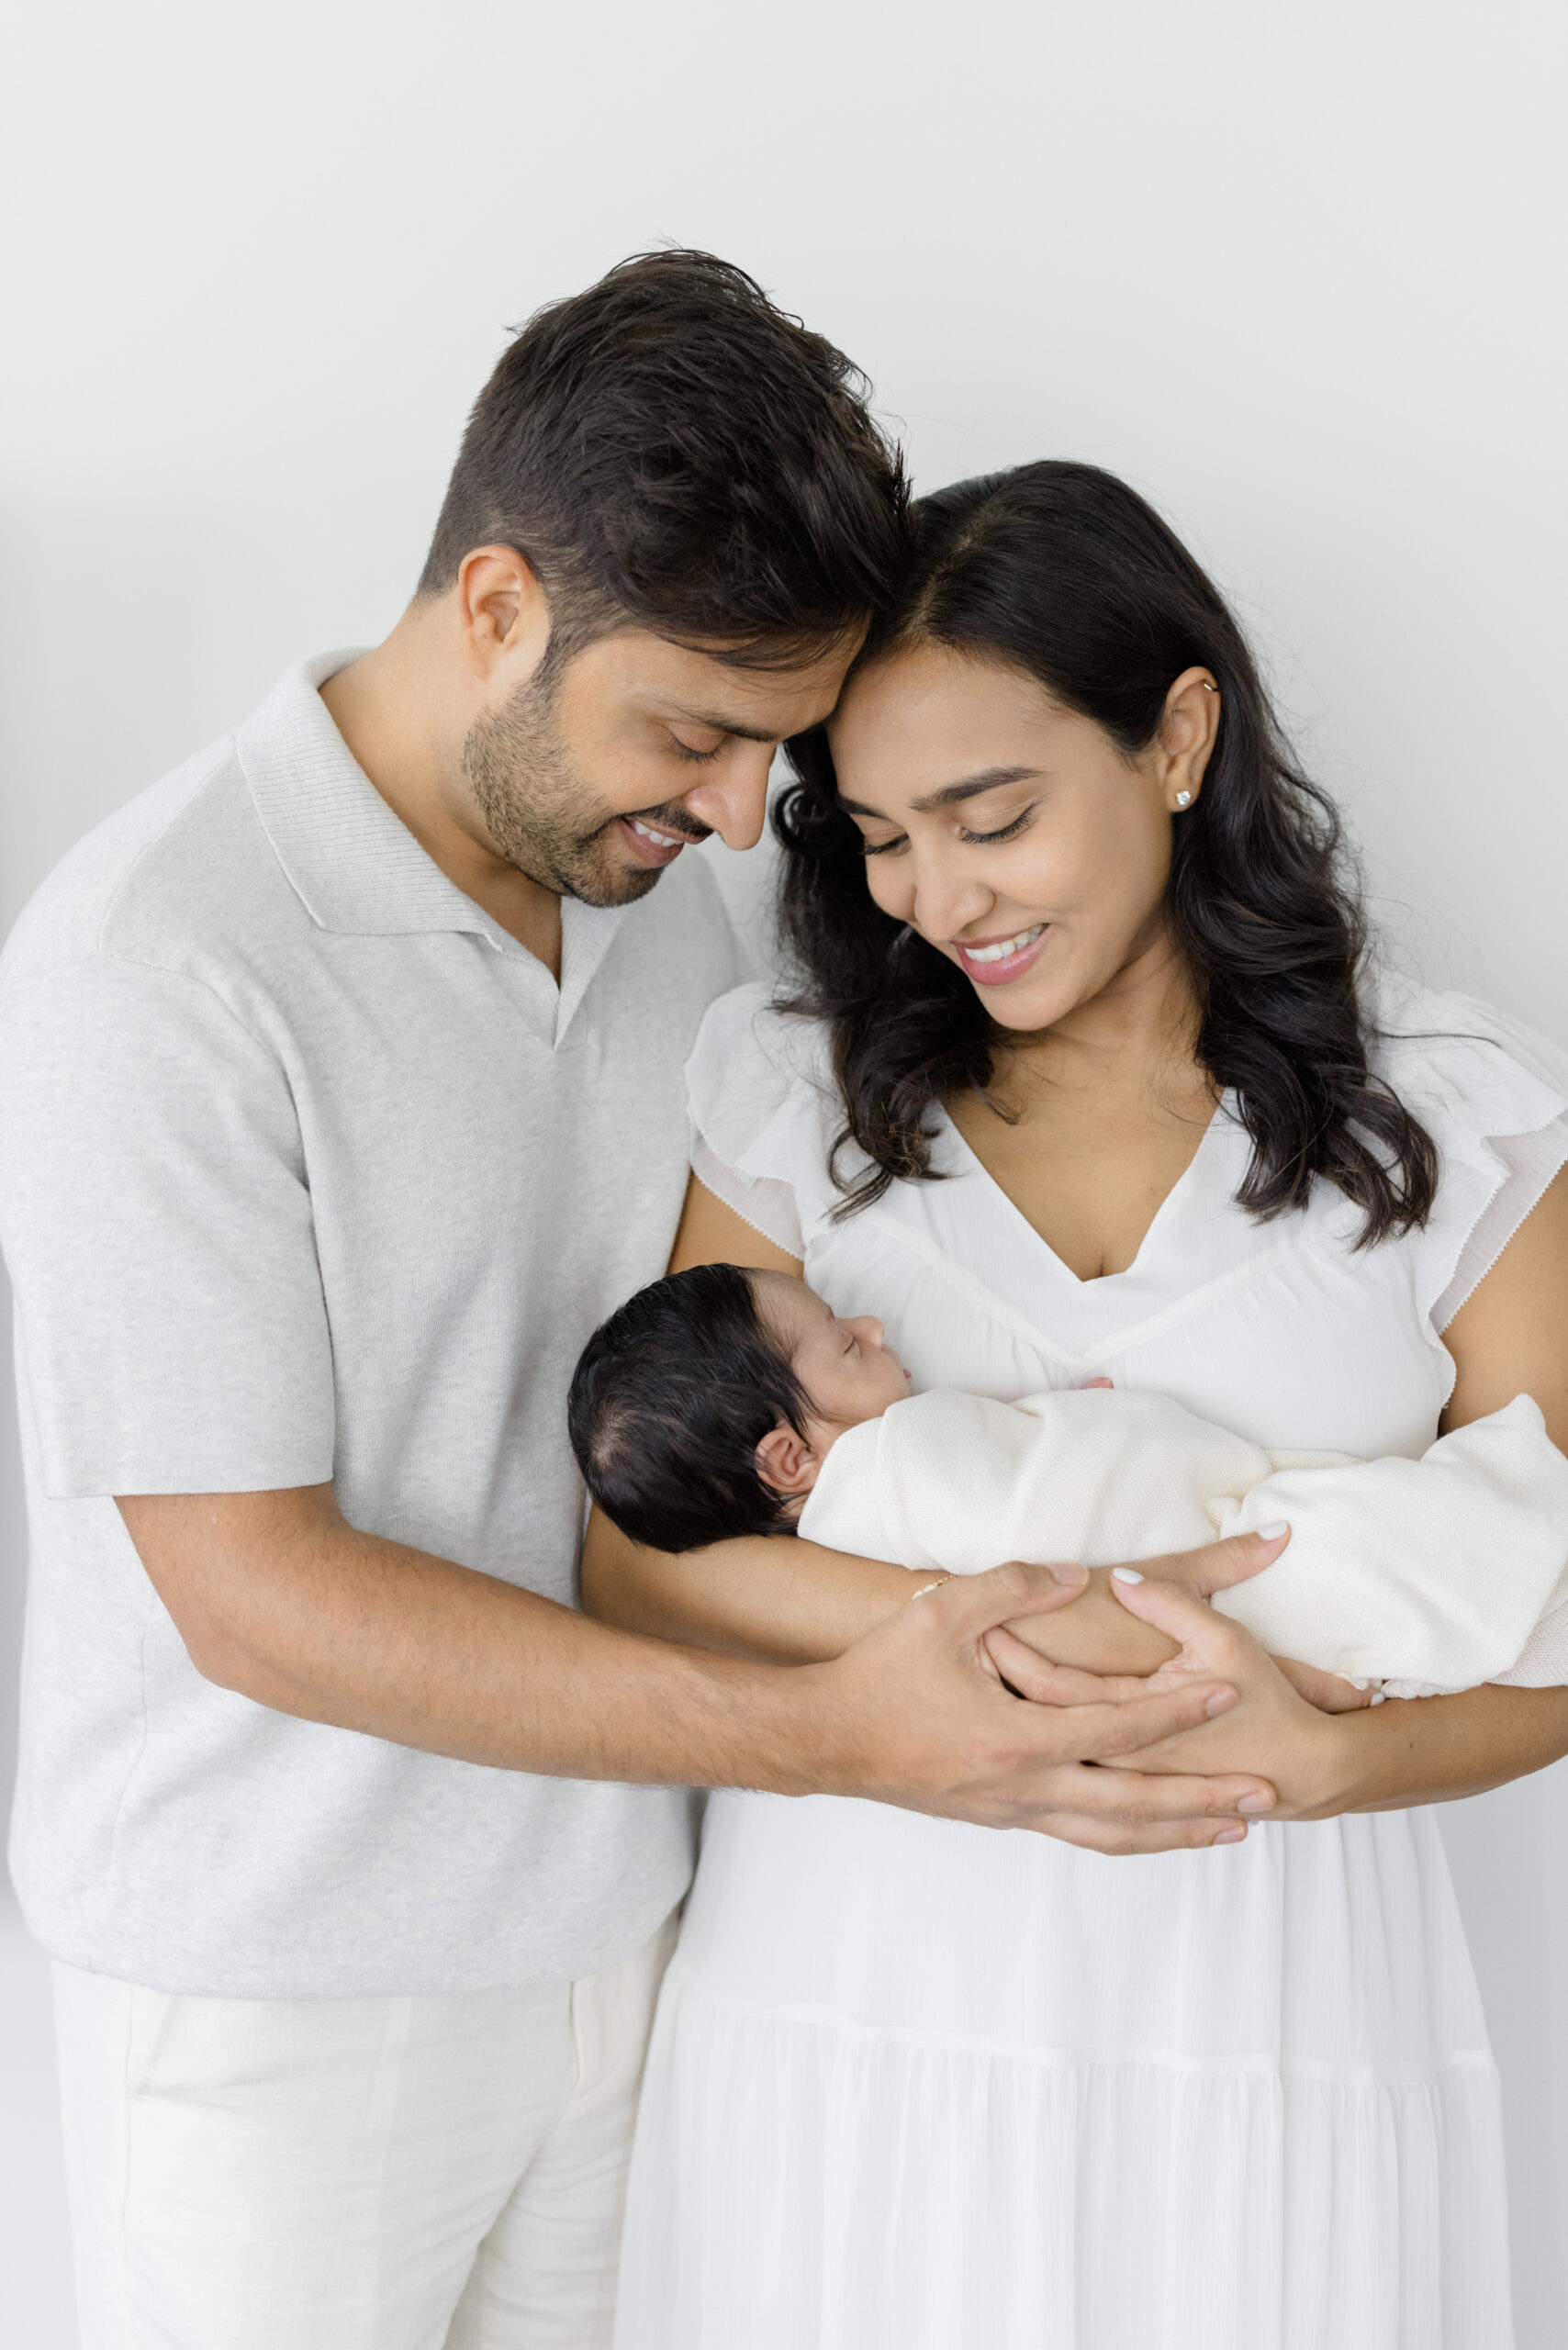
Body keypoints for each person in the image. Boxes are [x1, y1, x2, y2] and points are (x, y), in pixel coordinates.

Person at [0, 265, 1278, 2350]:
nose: (716, 814)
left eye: (765, 757)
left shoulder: (657, 919)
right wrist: (825, 1735)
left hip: (630, 1938)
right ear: (498, 606)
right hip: (278, 1994)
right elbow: (247, 1586)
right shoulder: (160, 961)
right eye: (690, 729)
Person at [585, 460, 1568, 2347]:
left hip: (1263, 2009)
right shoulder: (794, 1097)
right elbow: (645, 1562)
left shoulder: (1454, 1112)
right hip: (854, 1995)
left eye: (992, 815)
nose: (936, 898)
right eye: (876, 834)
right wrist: (989, 1637)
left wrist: (1339, 1757)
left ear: (1178, 733)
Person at [569, 1261, 1568, 1695]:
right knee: (1380, 1542)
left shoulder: (826, 1566)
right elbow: (1075, 1483)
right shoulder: (895, 1458)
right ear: (788, 1456)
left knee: (1391, 1584)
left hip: (1169, 1624)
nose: (872, 1329)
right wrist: (1089, 1416)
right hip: (1214, 1554)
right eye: (840, 1342)